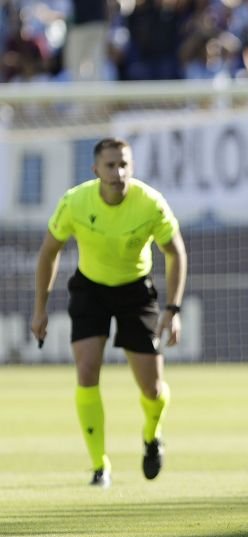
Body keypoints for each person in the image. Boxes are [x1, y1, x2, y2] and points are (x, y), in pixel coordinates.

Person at [31, 137, 187, 488]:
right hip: (91, 289)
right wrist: (39, 309)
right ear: (95, 170)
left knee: (152, 388)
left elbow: (176, 252)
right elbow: (48, 252)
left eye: (124, 164)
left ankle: (152, 435)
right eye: (110, 165)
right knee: (86, 371)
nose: (118, 172)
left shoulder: (149, 203)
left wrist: (173, 309)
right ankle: (100, 466)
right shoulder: (75, 201)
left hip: (135, 291)